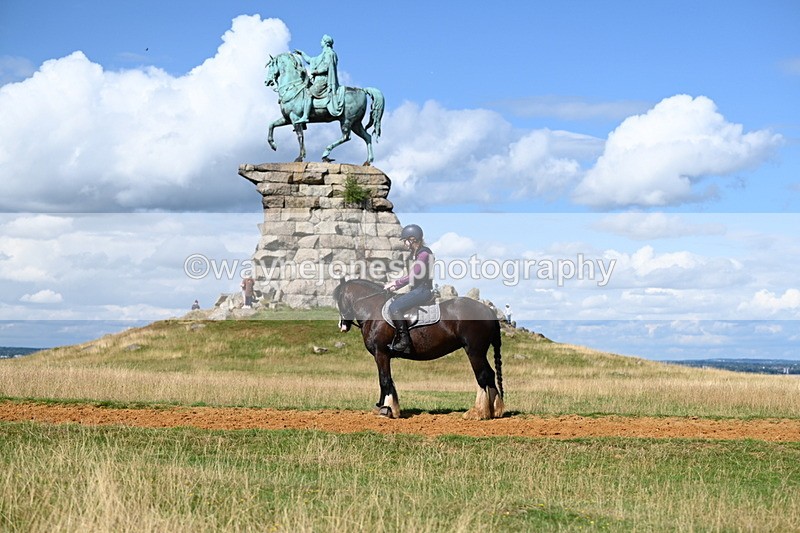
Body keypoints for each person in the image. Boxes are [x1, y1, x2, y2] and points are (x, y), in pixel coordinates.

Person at [383, 224, 435, 354]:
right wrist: (395, 286)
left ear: (413, 239)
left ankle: (404, 341)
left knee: (394, 307)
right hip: (417, 289)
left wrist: (395, 283)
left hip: (423, 290)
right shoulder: (416, 253)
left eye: (405, 240)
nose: (405, 244)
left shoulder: (424, 254)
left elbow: (413, 275)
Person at [294, 34, 345, 121]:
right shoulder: (322, 55)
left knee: (308, 93)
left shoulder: (330, 53)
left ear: (325, 42)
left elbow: (327, 67)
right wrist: (302, 54)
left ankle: (305, 116)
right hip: (318, 80)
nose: (320, 42)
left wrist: (315, 71)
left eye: (321, 40)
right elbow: (311, 60)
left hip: (323, 81)